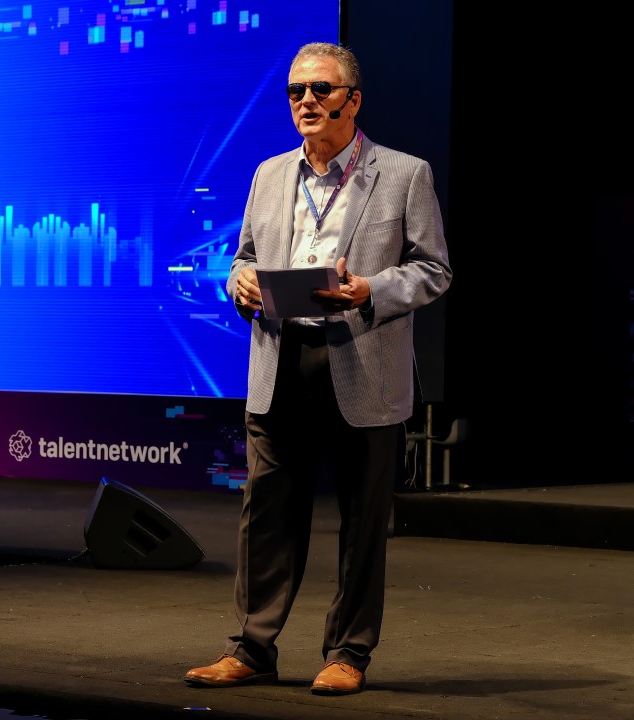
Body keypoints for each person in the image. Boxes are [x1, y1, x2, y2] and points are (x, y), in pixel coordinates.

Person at [183, 41, 451, 696]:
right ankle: (251, 648)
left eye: (321, 89)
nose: (306, 100)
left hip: (361, 358)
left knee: (361, 520)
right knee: (267, 515)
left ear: (352, 101)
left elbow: (433, 269)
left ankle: (348, 653)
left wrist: (369, 290)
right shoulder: (270, 174)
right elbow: (244, 257)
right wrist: (241, 283)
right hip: (281, 358)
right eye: (296, 91)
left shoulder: (403, 174)